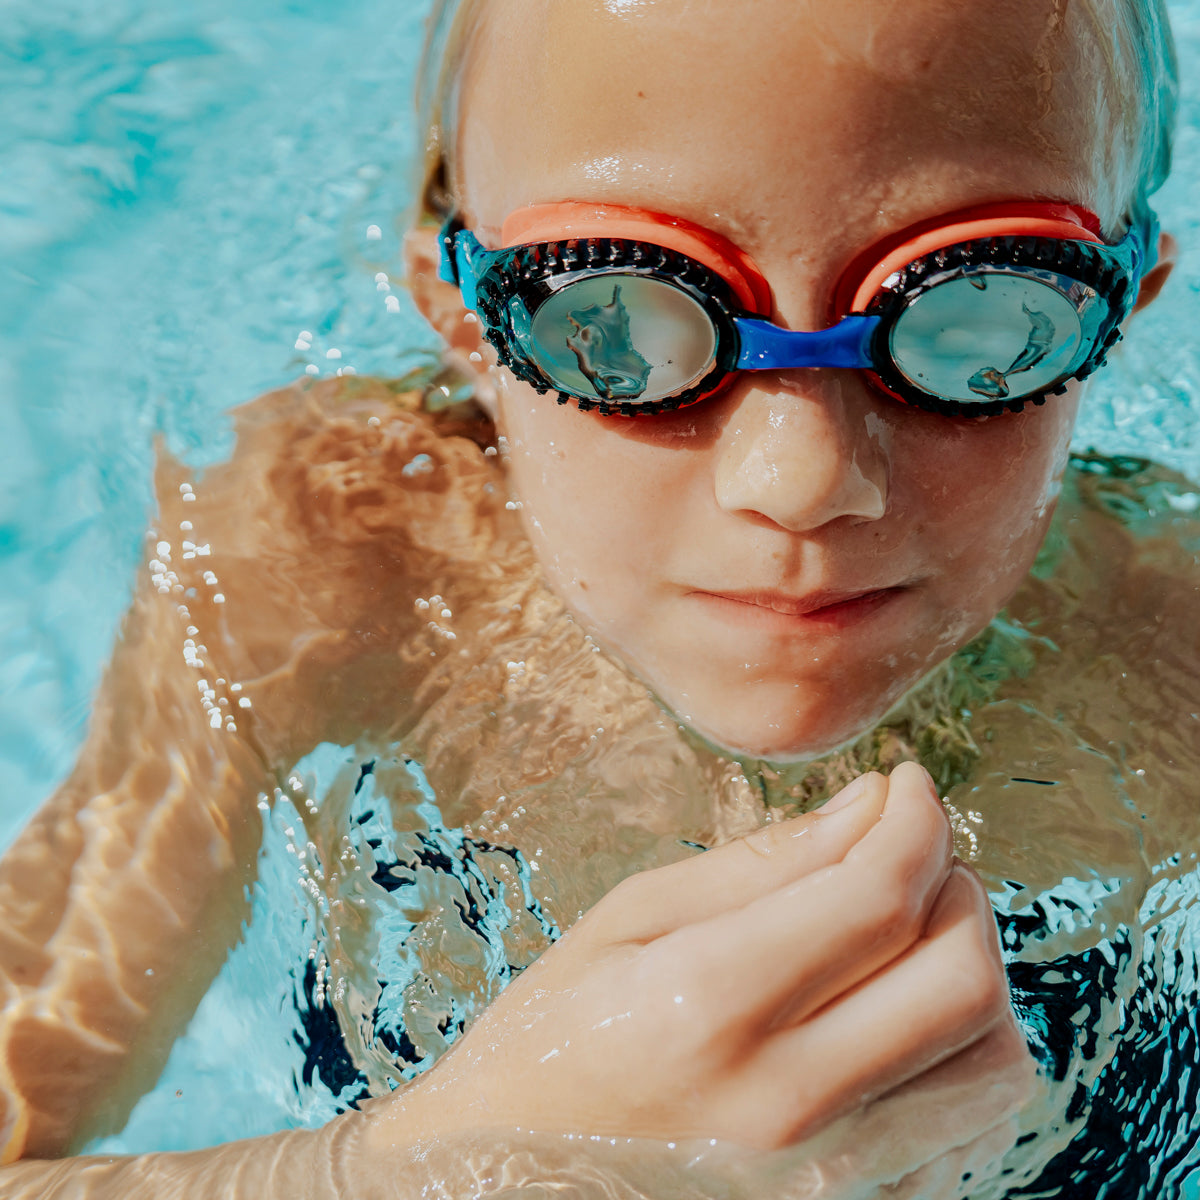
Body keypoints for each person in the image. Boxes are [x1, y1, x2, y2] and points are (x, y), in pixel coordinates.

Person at [0, 0, 1193, 1194]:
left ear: (1123, 307)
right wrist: (420, 1165)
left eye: (983, 312)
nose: (803, 481)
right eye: (617, 316)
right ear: (462, 311)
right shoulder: (336, 555)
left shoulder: (1172, 644)